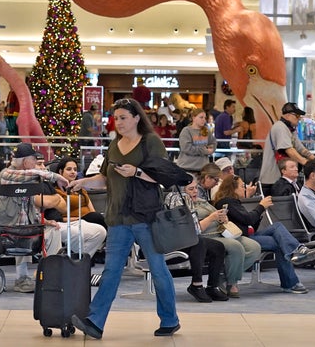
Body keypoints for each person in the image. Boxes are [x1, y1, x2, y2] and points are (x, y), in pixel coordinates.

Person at [68, 98, 181, 339]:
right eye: (116, 118)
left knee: (158, 269)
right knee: (111, 271)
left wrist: (137, 172)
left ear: (137, 118)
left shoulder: (151, 142)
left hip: (146, 217)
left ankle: (170, 319)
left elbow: (164, 177)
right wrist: (83, 182)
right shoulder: (115, 145)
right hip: (118, 218)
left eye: (123, 118)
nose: (118, 122)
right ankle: (95, 322)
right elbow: (106, 178)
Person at [214, 175, 315, 294]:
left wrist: (260, 210)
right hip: (240, 238)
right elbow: (248, 220)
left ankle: (298, 254)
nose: (244, 188)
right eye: (242, 186)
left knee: (278, 229)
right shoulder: (227, 202)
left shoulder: (234, 202)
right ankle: (292, 276)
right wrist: (261, 206)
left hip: (246, 235)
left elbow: (250, 225)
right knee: (280, 241)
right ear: (233, 188)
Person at [166, 176, 261, 301]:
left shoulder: (202, 201)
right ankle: (231, 283)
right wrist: (212, 217)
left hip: (222, 232)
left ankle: (219, 280)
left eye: (195, 188)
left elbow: (218, 216)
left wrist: (223, 218)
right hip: (205, 235)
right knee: (234, 247)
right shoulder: (179, 201)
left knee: (254, 247)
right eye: (191, 189)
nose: (195, 191)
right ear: (182, 191)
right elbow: (194, 229)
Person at [0, 142, 66, 293]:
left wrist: (45, 221)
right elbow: (29, 175)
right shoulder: (6, 175)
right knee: (23, 231)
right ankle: (22, 279)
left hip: (24, 227)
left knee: (54, 230)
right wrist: (55, 176)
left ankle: (50, 275)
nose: (36, 164)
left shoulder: (27, 180)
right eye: (34, 160)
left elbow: (28, 208)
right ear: (25, 161)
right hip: (5, 229)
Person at [43, 157, 107, 257]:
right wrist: (78, 219)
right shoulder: (56, 192)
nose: (73, 172)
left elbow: (92, 209)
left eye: (75, 170)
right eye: (69, 169)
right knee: (96, 219)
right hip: (71, 220)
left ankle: (83, 257)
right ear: (60, 171)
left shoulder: (81, 189)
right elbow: (57, 216)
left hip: (87, 219)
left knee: (97, 219)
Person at [259, 102, 315, 195]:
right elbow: (289, 150)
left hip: (282, 178)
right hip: (272, 179)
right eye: (297, 115)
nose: (299, 119)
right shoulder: (280, 127)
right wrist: (306, 162)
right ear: (288, 115)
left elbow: (301, 148)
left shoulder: (290, 129)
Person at [176, 108, 216, 174]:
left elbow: (213, 143)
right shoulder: (186, 131)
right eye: (201, 117)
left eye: (205, 118)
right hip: (187, 168)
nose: (204, 120)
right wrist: (204, 150)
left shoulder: (207, 131)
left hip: (203, 168)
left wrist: (211, 149)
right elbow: (186, 148)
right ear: (194, 118)